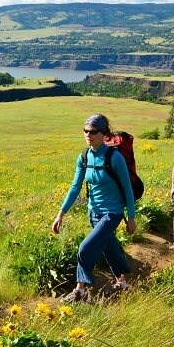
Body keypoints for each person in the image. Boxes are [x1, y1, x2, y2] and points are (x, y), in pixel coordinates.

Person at [51, 114, 137, 303]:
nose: (88, 135)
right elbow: (75, 187)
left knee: (85, 248)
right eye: (85, 131)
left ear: (104, 134)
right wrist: (60, 214)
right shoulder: (83, 157)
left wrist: (131, 217)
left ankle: (80, 291)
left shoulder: (115, 158)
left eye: (93, 132)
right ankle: (121, 283)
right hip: (93, 212)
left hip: (112, 213)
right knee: (109, 247)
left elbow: (128, 189)